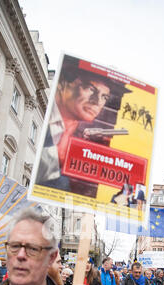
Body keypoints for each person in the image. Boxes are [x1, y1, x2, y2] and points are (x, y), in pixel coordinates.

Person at [35, 57, 129, 197]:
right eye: (90, 88)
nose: (97, 101)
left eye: (104, 97)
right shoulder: (42, 124)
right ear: (64, 84)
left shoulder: (80, 140)